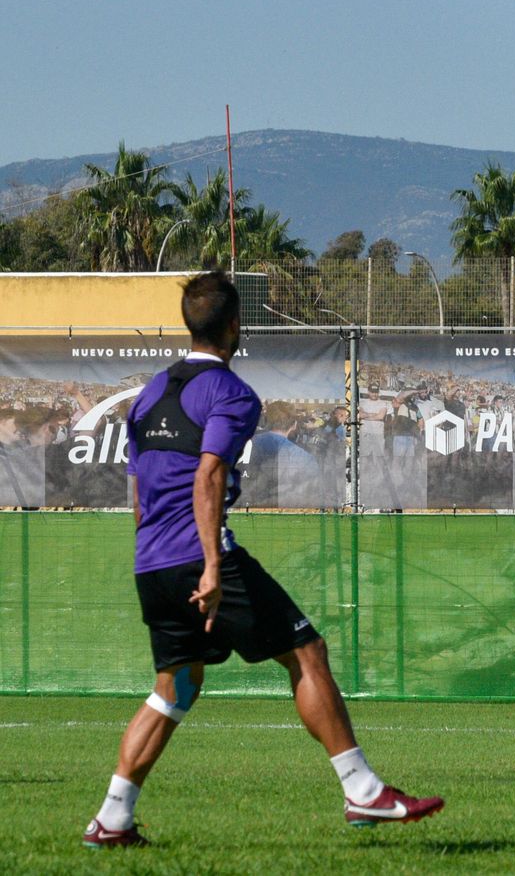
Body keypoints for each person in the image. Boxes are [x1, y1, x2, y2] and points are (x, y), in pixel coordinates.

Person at [83, 271, 442, 849]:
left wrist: (156, 560)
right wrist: (210, 565)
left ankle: (113, 818)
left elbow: (140, 490)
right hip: (200, 557)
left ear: (189, 325)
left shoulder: (148, 394)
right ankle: (362, 789)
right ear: (235, 326)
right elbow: (208, 474)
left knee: (175, 685)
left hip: (151, 560)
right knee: (306, 652)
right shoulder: (231, 394)